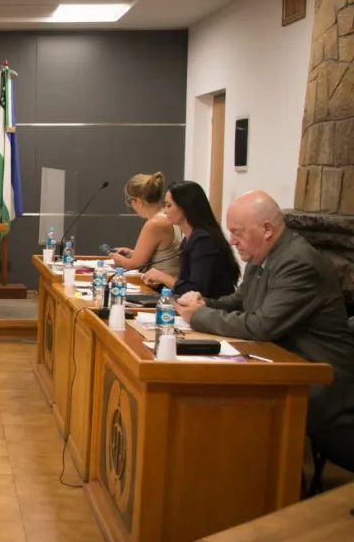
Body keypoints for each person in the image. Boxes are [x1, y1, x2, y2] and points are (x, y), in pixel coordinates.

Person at [176, 191, 354, 449]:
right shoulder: (262, 255)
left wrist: (199, 316)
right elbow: (239, 301)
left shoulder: (297, 262)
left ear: (267, 229)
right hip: (280, 363)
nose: (232, 241)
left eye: (237, 232)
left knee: (223, 406)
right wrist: (203, 303)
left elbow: (262, 325)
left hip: (318, 379)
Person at [142, 181, 240, 298]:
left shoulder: (204, 241)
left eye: (169, 205)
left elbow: (196, 291)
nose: (165, 211)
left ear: (185, 207)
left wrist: (163, 277)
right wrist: (159, 283)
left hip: (213, 310)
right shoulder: (189, 239)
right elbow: (184, 286)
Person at [110, 172, 181, 278]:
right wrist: (134, 253)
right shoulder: (166, 217)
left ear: (138, 201)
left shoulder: (154, 224)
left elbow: (135, 265)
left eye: (131, 201)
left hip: (160, 287)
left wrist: (119, 260)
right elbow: (160, 255)